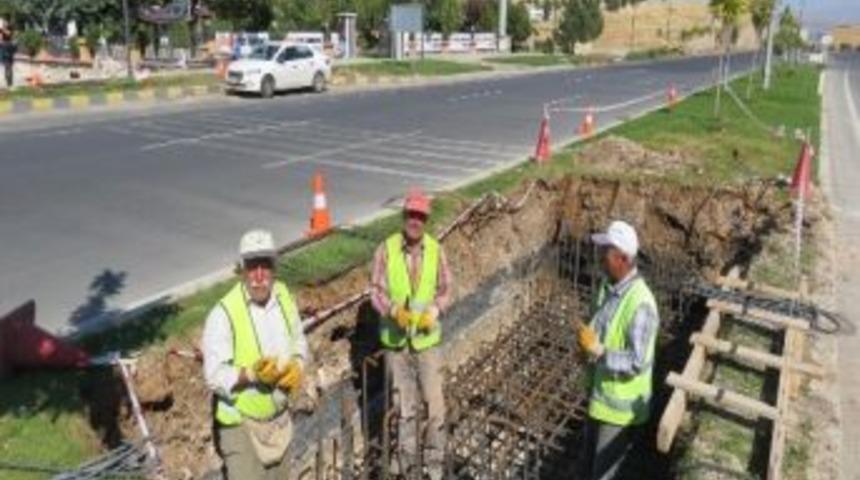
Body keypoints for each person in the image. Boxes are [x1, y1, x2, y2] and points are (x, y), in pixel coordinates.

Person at [202, 229, 310, 480]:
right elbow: (214, 375)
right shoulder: (224, 314)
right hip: (241, 425)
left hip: (279, 422)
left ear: (274, 268)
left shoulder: (283, 297)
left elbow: (299, 341)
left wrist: (298, 364)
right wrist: (251, 374)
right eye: (252, 267)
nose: (259, 276)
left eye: (265, 265)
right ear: (242, 270)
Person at [370, 188, 453, 480]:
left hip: (427, 342)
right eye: (411, 215)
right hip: (397, 344)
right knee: (402, 406)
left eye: (420, 216)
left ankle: (434, 464)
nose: (415, 221)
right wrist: (393, 311)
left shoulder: (436, 250)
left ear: (426, 220)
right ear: (404, 216)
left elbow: (446, 288)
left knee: (435, 405)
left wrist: (436, 310)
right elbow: (375, 291)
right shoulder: (386, 249)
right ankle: (405, 463)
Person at [577, 220, 660, 480]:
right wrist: (585, 345)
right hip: (598, 396)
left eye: (607, 252)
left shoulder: (641, 303)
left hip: (618, 413)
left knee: (603, 474)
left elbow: (637, 361)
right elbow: (600, 326)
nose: (601, 257)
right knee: (586, 466)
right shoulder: (607, 286)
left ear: (623, 259)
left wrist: (599, 352)